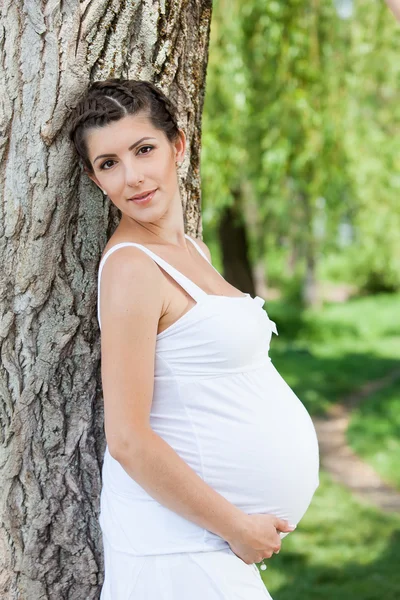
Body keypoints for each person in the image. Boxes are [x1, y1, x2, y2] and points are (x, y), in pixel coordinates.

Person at [68, 78, 320, 599]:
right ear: (96, 180)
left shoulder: (193, 252)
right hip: (177, 546)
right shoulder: (132, 269)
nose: (132, 177)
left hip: (198, 544)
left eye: (144, 149)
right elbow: (129, 440)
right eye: (108, 163)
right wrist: (235, 526)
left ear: (178, 146)